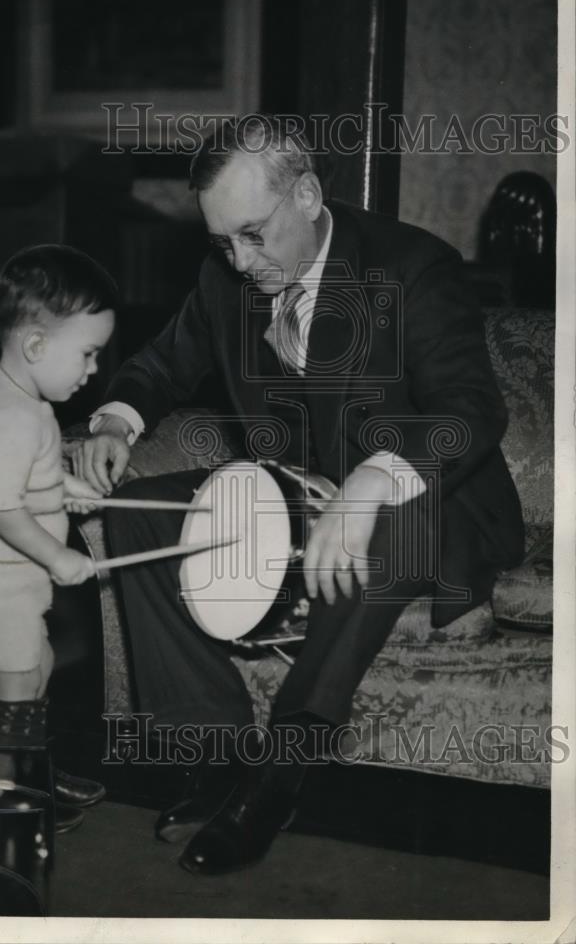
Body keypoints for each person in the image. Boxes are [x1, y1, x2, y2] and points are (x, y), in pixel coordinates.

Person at [78, 115, 525, 874]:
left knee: (383, 525)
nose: (239, 261)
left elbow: (471, 414)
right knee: (138, 521)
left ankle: (283, 767)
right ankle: (214, 751)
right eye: (222, 242)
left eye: (252, 235)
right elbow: (162, 363)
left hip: (431, 507)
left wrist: (371, 482)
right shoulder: (228, 273)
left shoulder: (414, 266)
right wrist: (116, 420)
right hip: (298, 493)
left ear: (310, 195)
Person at [0, 244, 116, 828]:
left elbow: (24, 477)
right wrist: (58, 555)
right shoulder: (14, 415)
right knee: (17, 693)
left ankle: (27, 769)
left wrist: (65, 485)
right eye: (87, 355)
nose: (92, 371)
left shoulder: (9, 394)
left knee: (38, 667)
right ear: (37, 346)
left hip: (2, 579)